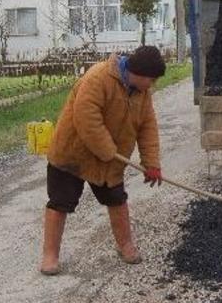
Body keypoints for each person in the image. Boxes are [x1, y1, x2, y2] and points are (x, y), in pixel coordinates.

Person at [39, 45, 166, 275]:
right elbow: (87, 118)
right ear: (140, 73)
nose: (153, 85)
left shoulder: (142, 93)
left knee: (117, 199)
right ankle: (50, 256)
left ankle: (125, 246)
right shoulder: (98, 78)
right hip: (73, 153)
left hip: (109, 159)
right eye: (152, 79)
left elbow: (147, 127)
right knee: (60, 202)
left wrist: (152, 163)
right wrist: (108, 150)